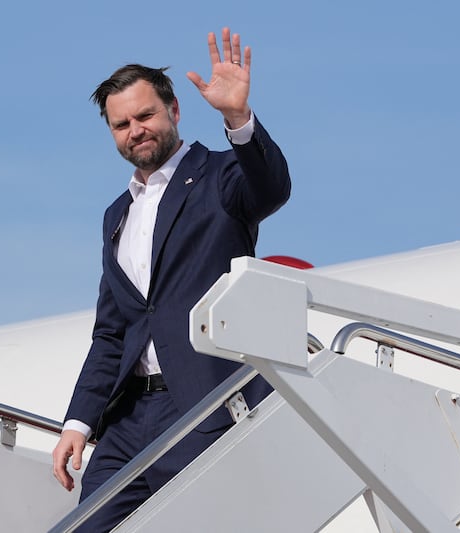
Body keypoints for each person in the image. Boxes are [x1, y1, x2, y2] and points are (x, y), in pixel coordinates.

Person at [51, 27, 291, 531]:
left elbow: (271, 188)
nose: (135, 130)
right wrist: (79, 421)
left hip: (203, 404)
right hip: (127, 421)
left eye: (145, 115)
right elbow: (113, 332)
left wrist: (237, 117)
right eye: (122, 125)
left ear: (174, 111)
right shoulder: (116, 215)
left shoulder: (221, 178)